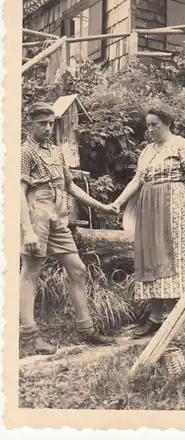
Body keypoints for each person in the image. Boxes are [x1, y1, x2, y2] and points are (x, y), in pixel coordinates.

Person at [20, 102, 116, 355]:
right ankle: (30, 336)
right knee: (31, 271)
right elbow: (18, 194)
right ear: (30, 124)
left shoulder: (56, 151)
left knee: (77, 269)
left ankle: (87, 329)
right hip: (36, 212)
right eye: (42, 123)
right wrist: (28, 230)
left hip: (58, 213)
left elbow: (70, 187)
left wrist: (102, 206)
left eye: (51, 123)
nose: (48, 128)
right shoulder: (25, 152)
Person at [110, 103, 185, 338]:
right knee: (151, 255)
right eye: (148, 125)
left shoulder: (181, 145)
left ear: (168, 124)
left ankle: (174, 317)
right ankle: (154, 318)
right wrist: (118, 202)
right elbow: (136, 181)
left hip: (174, 203)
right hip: (149, 205)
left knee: (171, 256)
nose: (150, 129)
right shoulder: (148, 151)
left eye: (155, 125)